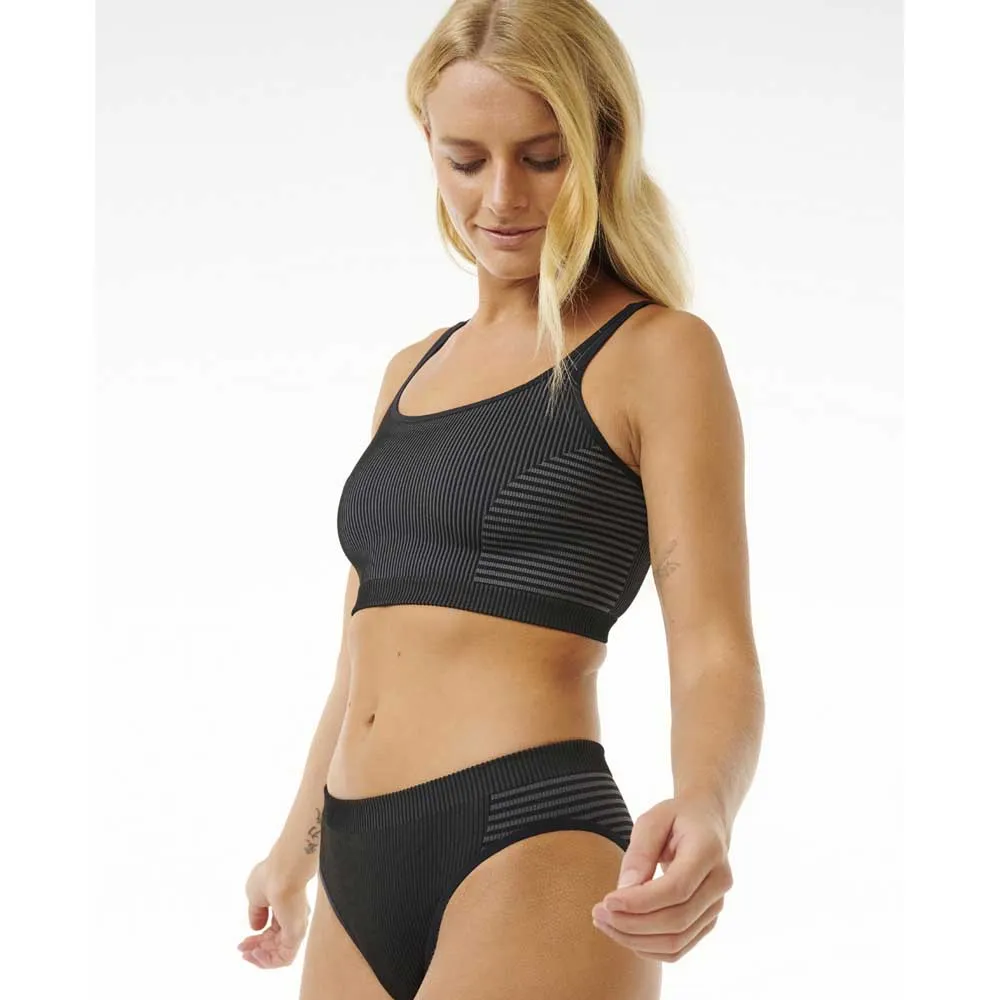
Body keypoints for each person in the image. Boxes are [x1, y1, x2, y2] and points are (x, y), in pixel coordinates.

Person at [238, 3, 764, 998]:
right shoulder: (408, 371)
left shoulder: (656, 353)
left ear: (603, 149)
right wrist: (294, 850)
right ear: (428, 146)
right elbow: (361, 652)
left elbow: (713, 648)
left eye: (542, 157)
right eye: (466, 160)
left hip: (528, 841)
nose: (502, 197)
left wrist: (706, 804)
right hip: (355, 859)